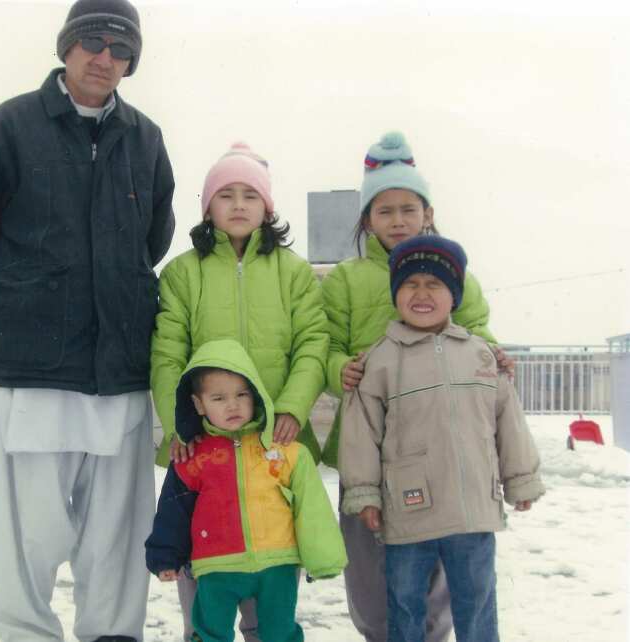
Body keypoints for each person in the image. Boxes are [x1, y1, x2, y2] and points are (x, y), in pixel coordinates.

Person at [0, 0, 175, 639]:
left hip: (119, 371)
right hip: (35, 370)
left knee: (116, 536)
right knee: (31, 536)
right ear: (66, 47)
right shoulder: (10, 127)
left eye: (120, 49)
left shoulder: (146, 139)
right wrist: (25, 297)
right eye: (92, 43)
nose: (105, 58)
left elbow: (153, 236)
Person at [320, 131, 509, 642]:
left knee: (438, 569)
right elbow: (326, 343)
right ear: (366, 220)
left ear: (427, 212)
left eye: (408, 208)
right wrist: (339, 367)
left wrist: (494, 351)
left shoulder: (455, 272)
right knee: (367, 567)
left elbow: (477, 332)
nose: (398, 220)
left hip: (440, 452)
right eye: (384, 211)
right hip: (367, 454)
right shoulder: (345, 280)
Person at [150, 142, 329, 640]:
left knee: (272, 588)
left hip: (272, 441)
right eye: (225, 194)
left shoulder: (293, 272)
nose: (238, 204)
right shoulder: (184, 273)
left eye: (250, 194)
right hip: (203, 442)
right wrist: (179, 423)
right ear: (207, 207)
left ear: (267, 207)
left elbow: (313, 343)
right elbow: (168, 353)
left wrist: (291, 405)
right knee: (205, 590)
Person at [339, 235, 544, 642]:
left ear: (454, 295)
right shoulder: (378, 361)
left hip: (472, 512)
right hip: (408, 514)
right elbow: (360, 432)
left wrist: (521, 479)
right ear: (396, 294)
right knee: (404, 605)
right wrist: (363, 493)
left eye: (434, 284)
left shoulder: (482, 355)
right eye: (410, 285)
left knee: (477, 604)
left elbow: (509, 422)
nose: (421, 294)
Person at [146, 339, 347, 642]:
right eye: (219, 397)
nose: (233, 405)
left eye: (241, 394)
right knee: (210, 632)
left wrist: (324, 557)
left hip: (276, 565)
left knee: (280, 633)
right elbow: (174, 510)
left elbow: (311, 506)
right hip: (216, 568)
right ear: (199, 404)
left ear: (255, 394)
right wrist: (165, 557)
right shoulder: (192, 458)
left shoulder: (282, 450)